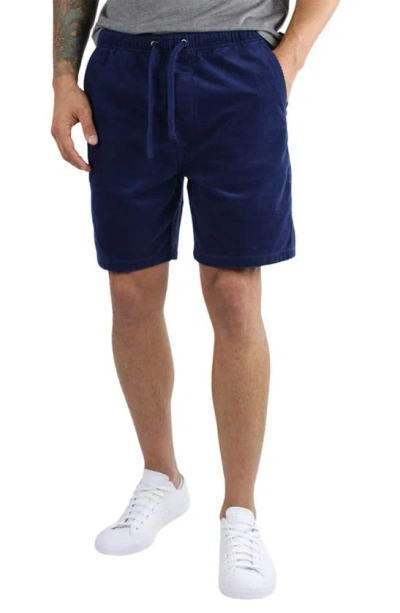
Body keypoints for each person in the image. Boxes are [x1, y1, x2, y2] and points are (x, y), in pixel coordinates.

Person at [52, 0, 339, 599]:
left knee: (234, 291)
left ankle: (240, 512)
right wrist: (62, 76)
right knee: (130, 290)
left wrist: (292, 54)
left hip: (237, 65)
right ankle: (162, 477)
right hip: (124, 70)